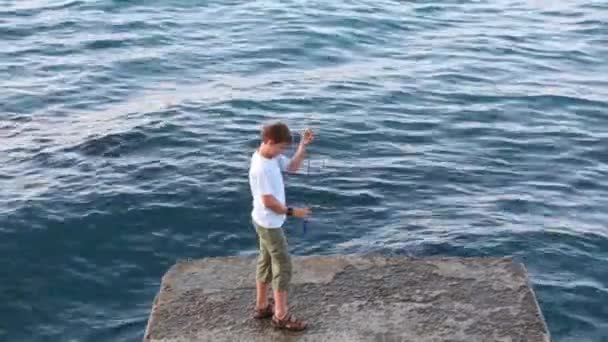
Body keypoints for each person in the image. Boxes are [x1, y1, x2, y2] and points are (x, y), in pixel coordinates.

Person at [248, 121, 314, 331]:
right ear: (269, 141)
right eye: (281, 148)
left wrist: (303, 146)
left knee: (266, 261)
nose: (282, 153)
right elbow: (269, 202)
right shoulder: (262, 168)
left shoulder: (269, 156)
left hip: (264, 220)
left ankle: (262, 306)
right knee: (283, 266)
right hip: (269, 223)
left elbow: (292, 167)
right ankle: (281, 315)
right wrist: (295, 212)